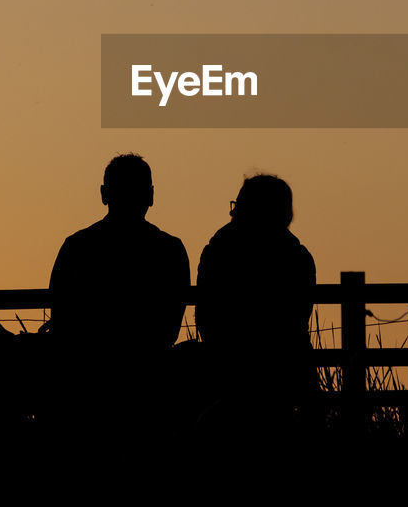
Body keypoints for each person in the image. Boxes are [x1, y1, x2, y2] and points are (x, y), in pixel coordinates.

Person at [48, 153, 190, 452]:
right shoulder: (170, 251)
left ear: (104, 194)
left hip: (85, 384)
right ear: (151, 196)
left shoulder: (77, 247)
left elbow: (61, 318)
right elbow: (170, 326)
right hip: (150, 383)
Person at [195, 173, 317, 438]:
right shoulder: (296, 257)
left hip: (228, 370)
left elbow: (205, 318)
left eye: (238, 206)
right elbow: (297, 318)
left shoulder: (218, 252)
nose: (233, 213)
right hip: (286, 371)